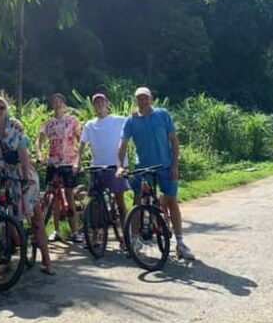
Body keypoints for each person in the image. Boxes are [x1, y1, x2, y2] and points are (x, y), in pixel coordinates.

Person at [116, 87, 195, 260]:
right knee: (137, 202)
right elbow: (123, 144)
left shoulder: (162, 114)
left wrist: (175, 165)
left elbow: (173, 141)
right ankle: (135, 240)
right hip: (142, 167)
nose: (142, 101)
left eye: (145, 98)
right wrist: (120, 166)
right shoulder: (131, 120)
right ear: (135, 101)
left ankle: (180, 243)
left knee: (171, 201)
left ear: (151, 99)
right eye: (139, 98)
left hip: (165, 166)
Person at [0, 96, 54, 275]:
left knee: (36, 217)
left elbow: (23, 153)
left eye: (1, 107)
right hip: (3, 176)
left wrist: (24, 177)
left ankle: (47, 261)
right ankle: (7, 257)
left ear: (6, 109)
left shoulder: (15, 127)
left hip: (22, 175)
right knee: (4, 217)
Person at [36, 93, 82, 243]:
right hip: (53, 162)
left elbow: (80, 140)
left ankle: (75, 231)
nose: (57, 104)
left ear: (64, 104)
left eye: (60, 102)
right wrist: (39, 153)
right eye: (54, 102)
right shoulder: (48, 123)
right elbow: (40, 140)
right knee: (54, 197)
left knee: (69, 195)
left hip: (68, 161)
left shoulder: (72, 121)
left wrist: (79, 159)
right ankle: (55, 230)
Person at [79, 93, 130, 226]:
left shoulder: (119, 120)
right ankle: (96, 236)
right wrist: (77, 162)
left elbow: (133, 121)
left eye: (102, 102)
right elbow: (82, 144)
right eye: (96, 102)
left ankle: (126, 235)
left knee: (120, 202)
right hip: (97, 167)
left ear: (107, 104)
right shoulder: (89, 125)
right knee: (95, 202)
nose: (99, 104)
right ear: (93, 106)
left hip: (115, 166)